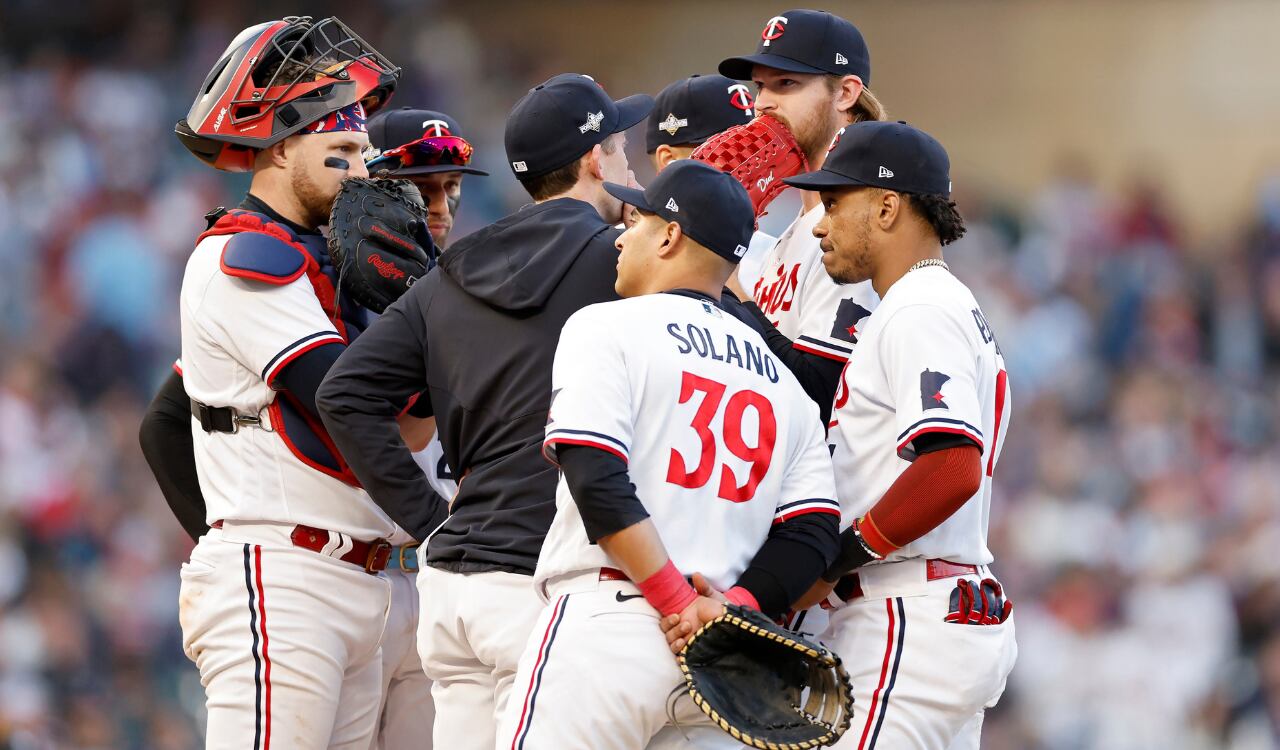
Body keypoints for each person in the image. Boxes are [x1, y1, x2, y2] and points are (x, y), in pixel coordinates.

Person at [315, 73, 653, 750]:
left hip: (455, 589)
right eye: (622, 150)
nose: (632, 167)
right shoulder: (624, 267)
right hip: (542, 580)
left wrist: (432, 523)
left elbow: (342, 393)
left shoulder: (455, 269)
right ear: (596, 160)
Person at [495, 158, 840, 749]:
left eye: (640, 219)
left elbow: (597, 477)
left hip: (613, 623)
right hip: (721, 656)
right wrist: (730, 609)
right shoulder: (784, 383)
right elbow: (814, 532)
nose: (623, 234)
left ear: (670, 235)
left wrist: (678, 602)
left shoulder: (608, 326)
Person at [159, 16, 421, 750]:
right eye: (340, 151)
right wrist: (244, 544)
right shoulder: (244, 256)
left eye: (364, 151)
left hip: (351, 576)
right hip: (290, 574)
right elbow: (348, 399)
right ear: (277, 148)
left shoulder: (322, 259)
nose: (362, 172)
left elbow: (161, 421)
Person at [783, 120, 1017, 749]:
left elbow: (952, 467)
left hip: (902, 613)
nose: (819, 224)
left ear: (887, 206)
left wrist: (838, 559)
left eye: (834, 204)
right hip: (939, 605)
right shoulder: (940, 303)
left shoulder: (918, 308)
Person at [360, 105, 491, 750]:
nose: (440, 204)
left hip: (439, 582)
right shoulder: (329, 284)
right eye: (422, 186)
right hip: (345, 570)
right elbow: (165, 422)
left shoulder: (479, 284)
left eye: (450, 186)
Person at [717, 8, 886, 419]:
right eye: (760, 86)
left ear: (845, 93)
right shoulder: (792, 227)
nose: (763, 104)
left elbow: (820, 395)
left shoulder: (859, 224)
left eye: (786, 83)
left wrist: (729, 285)